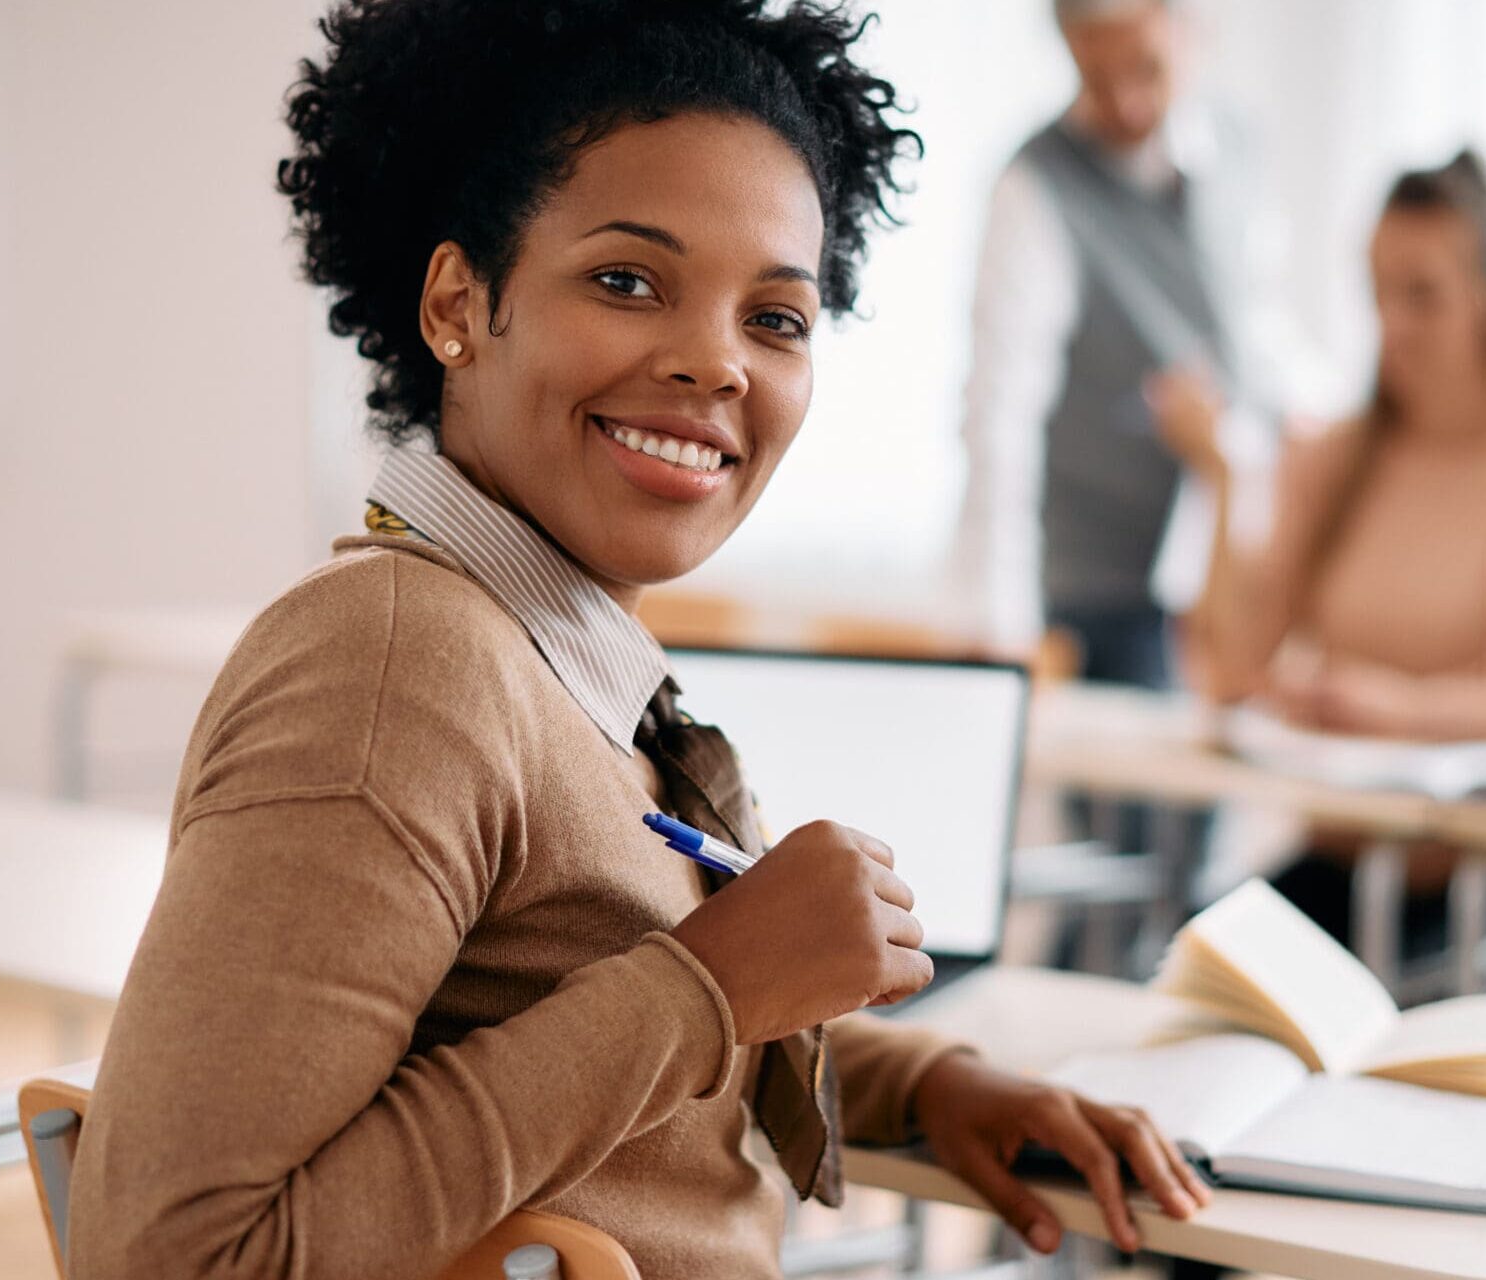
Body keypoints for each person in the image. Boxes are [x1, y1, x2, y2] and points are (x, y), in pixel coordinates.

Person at [66, 4, 1210, 1276]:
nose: (713, 363)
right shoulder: (396, 668)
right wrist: (708, 987)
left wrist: (919, 1080)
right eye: (626, 281)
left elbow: (548, 1009)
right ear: (458, 302)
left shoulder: (540, 648)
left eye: (774, 318)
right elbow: (168, 1256)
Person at [1167, 150, 1486, 943]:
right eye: (1377, 293)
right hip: (1341, 867)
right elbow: (1231, 668)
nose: (1392, 325)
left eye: (1422, 295)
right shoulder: (1337, 455)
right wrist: (1225, 478)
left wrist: (1393, 707)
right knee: (1184, 969)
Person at [951, 0, 1308, 683]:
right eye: (1095, 74)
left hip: (1232, 565)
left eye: (1145, 67)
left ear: (1196, 32)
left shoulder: (1243, 148)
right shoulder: (1035, 184)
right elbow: (1000, 409)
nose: (1124, 101)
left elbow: (1258, 320)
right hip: (1097, 586)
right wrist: (998, 621)